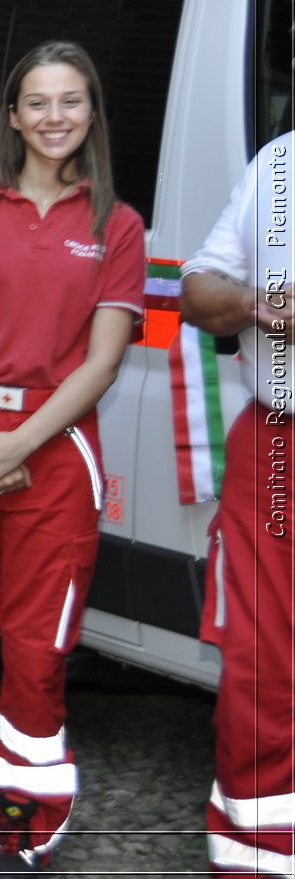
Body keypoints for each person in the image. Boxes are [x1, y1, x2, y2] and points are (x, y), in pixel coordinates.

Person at [0, 41, 144, 875]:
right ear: (13, 115)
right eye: (37, 102)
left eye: (70, 101)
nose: (54, 117)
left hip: (55, 455)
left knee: (38, 648)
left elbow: (102, 361)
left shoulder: (116, 223)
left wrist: (20, 442)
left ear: (92, 114)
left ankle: (24, 819)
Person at [181, 121, 293, 875]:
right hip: (278, 443)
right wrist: (257, 301)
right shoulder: (279, 163)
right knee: (261, 667)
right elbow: (198, 288)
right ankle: (256, 855)